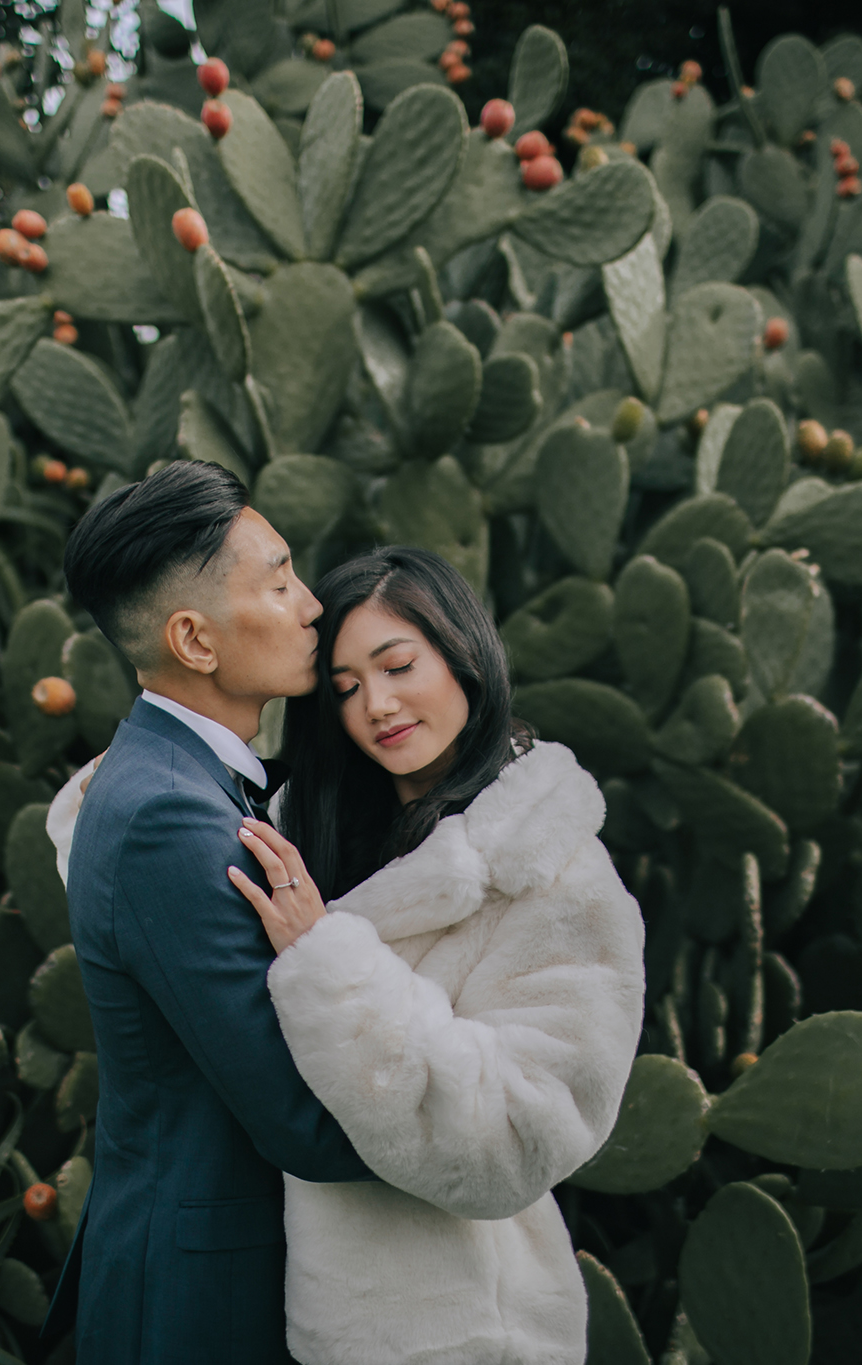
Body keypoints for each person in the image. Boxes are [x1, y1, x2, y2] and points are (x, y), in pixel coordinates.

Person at [52, 542, 647, 1364]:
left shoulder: (556, 872)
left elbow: (519, 1136)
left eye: (399, 665)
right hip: (303, 1314)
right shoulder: (304, 826)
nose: (379, 704)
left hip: (461, 1326)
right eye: (346, 686)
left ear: (465, 656)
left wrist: (330, 964)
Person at [45, 460, 374, 1364]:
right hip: (196, 1300)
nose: (312, 606)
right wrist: (476, 1110)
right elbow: (297, 1117)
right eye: (278, 581)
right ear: (195, 639)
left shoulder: (173, 777)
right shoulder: (168, 816)